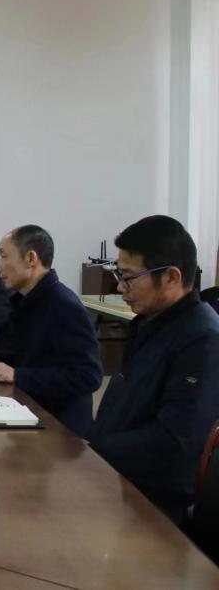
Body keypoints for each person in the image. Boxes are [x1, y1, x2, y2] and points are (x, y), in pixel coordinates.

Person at [89, 215, 219, 524]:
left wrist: (94, 450)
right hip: (118, 476)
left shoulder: (202, 339)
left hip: (157, 501)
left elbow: (175, 441)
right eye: (119, 275)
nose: (120, 287)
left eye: (129, 278)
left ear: (172, 277)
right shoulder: (150, 323)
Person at [0, 225, 102, 437]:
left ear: (30, 258)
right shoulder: (25, 300)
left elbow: (88, 376)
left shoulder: (63, 305)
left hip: (58, 430)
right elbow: (38, 355)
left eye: (4, 256)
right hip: (27, 410)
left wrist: (18, 375)